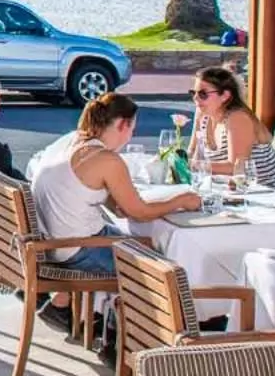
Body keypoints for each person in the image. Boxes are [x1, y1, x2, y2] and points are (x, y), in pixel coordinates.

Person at [26, 93, 201, 332]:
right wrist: (181, 200)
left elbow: (108, 203)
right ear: (123, 124)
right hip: (75, 249)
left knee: (147, 244)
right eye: (132, 129)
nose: (131, 136)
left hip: (51, 242)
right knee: (161, 268)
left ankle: (66, 305)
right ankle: (119, 333)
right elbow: (139, 213)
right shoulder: (106, 159)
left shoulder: (71, 141)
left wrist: (126, 201)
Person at [188, 66, 275, 193]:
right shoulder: (204, 116)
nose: (195, 98)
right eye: (193, 93)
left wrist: (193, 166)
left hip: (273, 194)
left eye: (203, 94)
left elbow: (236, 167)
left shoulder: (237, 118)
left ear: (225, 96)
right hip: (233, 192)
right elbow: (194, 155)